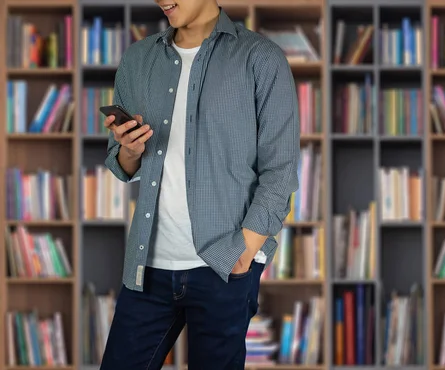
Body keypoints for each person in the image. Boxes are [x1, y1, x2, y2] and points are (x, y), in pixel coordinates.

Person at [98, 0, 299, 368]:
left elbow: (281, 170)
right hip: (147, 268)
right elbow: (122, 164)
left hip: (223, 265)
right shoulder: (138, 59)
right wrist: (130, 149)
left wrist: (243, 252)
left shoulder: (260, 57)